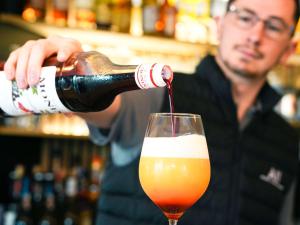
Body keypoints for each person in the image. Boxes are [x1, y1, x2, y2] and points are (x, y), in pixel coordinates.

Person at [2, 0, 300, 224]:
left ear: (290, 47)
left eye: (273, 25)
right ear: (219, 23)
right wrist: (67, 69)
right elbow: (107, 105)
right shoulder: (157, 92)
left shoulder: (288, 142)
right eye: (245, 17)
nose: (255, 35)